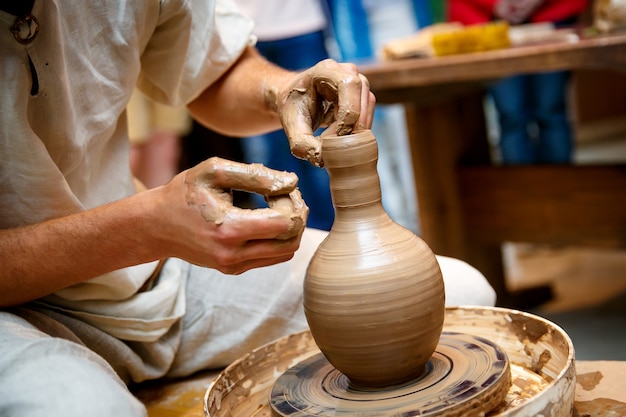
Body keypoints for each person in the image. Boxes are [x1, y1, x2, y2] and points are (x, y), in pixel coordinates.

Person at [0, 1, 495, 416]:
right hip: (17, 304)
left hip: (139, 275)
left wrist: (282, 91)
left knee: (465, 299)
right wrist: (145, 228)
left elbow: (212, 71)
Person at [233, 0, 336, 230]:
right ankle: (279, 235)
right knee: (264, 155)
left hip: (301, 23)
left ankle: (333, 232)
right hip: (241, 27)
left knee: (318, 145)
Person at [449, 0, 589, 164]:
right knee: (511, 117)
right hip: (490, 23)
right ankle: (521, 187)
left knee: (551, 110)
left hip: (552, 15)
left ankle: (560, 185)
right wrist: (495, 3)